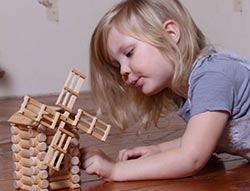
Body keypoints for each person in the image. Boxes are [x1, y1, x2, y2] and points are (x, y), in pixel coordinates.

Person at [80, 0, 250, 181]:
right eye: (117, 65)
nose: (123, 71)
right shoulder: (187, 89)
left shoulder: (212, 76)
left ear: (170, 34)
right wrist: (159, 150)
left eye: (129, 53)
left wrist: (116, 170)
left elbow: (192, 157)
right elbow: (204, 140)